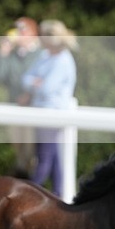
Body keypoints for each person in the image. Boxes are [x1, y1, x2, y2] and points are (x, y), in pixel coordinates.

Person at [21, 19, 77, 198]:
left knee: (45, 155)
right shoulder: (44, 56)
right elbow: (25, 78)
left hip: (53, 114)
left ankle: (29, 192)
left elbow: (47, 88)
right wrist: (36, 83)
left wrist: (35, 84)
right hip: (40, 111)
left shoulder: (63, 60)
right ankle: (58, 193)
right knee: (52, 155)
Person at [0, 16, 43, 178]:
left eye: (23, 29)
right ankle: (23, 177)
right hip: (14, 105)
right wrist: (3, 53)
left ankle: (32, 180)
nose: (18, 33)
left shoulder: (41, 54)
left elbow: (41, 80)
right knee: (18, 146)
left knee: (31, 149)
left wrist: (28, 95)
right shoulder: (12, 54)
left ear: (33, 33)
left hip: (33, 107)